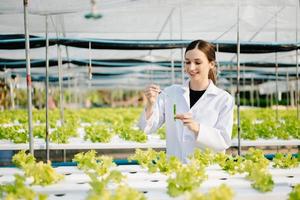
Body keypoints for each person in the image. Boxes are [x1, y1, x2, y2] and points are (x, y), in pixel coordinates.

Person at [138, 39, 234, 163]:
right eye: (187, 62)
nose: (191, 67)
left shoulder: (223, 99)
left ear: (211, 64)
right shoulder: (171, 93)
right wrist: (150, 104)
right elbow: (146, 128)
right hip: (175, 168)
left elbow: (223, 141)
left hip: (208, 170)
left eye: (197, 62)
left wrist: (197, 128)